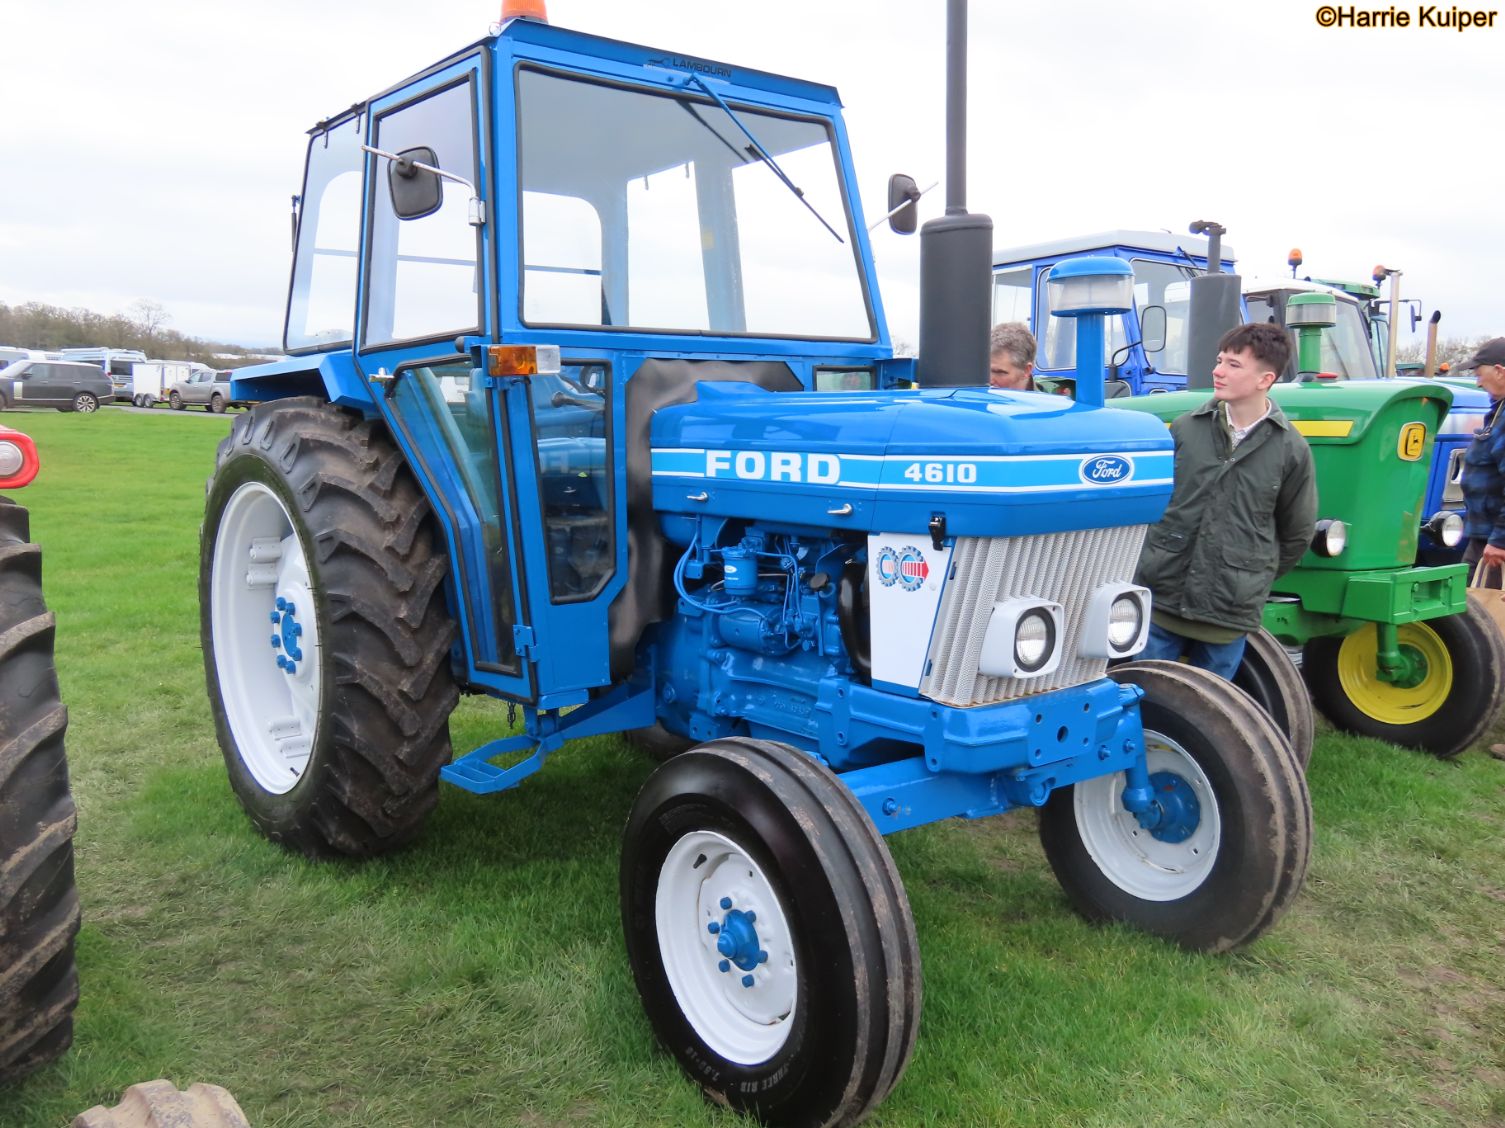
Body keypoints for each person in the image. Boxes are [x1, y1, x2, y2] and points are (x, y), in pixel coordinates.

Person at [1134, 322, 1317, 679]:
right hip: (1162, 600)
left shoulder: (1291, 449)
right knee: (1147, 690)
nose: (1218, 371)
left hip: (1227, 612)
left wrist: (1247, 576)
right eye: (1220, 361)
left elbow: (1297, 533)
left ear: (1265, 379)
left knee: (1213, 702)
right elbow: (1154, 505)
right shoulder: (1185, 429)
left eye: (1233, 364)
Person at [1459, 337, 1505, 590]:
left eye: (1479, 374)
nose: (1477, 382)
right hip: (1485, 535)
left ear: (1499, 371)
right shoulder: (1499, 412)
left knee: (1478, 607)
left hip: (1494, 541)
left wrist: (1500, 540)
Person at [989, 322, 1036, 390]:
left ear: (1026, 370)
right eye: (984, 372)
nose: (989, 381)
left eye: (999, 372)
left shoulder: (1048, 396)